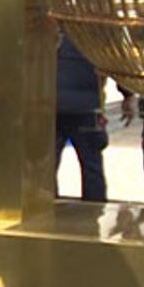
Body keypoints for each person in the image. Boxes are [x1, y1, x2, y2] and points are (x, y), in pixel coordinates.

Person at [55, 33, 108, 202]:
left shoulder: (48, 26)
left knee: (45, 166)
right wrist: (127, 93)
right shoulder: (90, 28)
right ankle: (94, 210)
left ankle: (44, 210)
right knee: (91, 165)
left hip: (50, 105)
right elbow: (112, 61)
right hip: (87, 106)